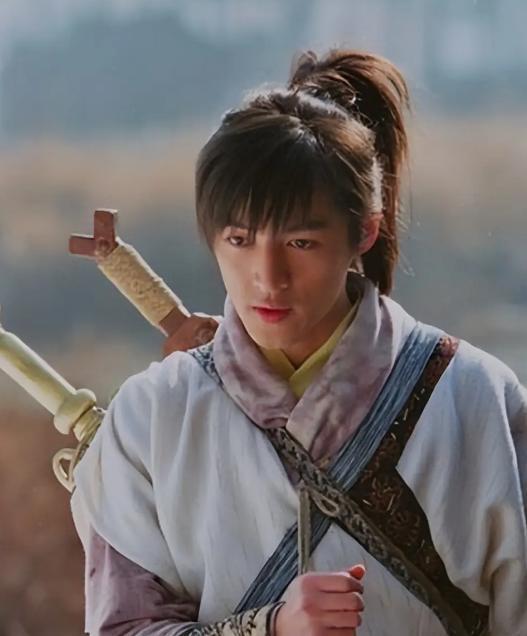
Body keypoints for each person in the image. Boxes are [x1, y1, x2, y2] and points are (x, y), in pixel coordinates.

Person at [71, 49, 527, 636]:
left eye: (301, 243)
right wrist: (271, 628)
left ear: (365, 230)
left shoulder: (474, 399)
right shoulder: (151, 417)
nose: (268, 277)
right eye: (240, 240)